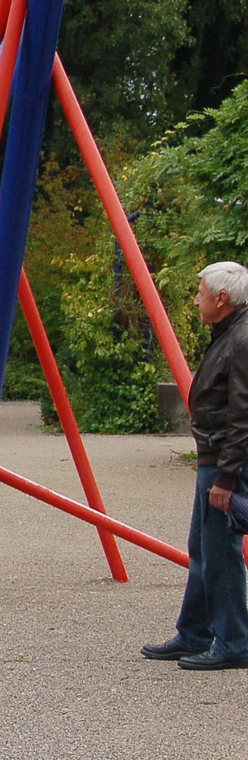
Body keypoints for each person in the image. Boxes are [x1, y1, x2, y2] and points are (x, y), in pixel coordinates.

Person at [143, 261, 248, 671]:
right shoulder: (230, 333)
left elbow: (243, 415)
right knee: (203, 548)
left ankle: (234, 641)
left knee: (220, 551)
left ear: (221, 299)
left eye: (201, 292)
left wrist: (225, 479)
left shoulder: (240, 339)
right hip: (218, 458)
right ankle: (196, 632)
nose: (196, 299)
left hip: (227, 462)